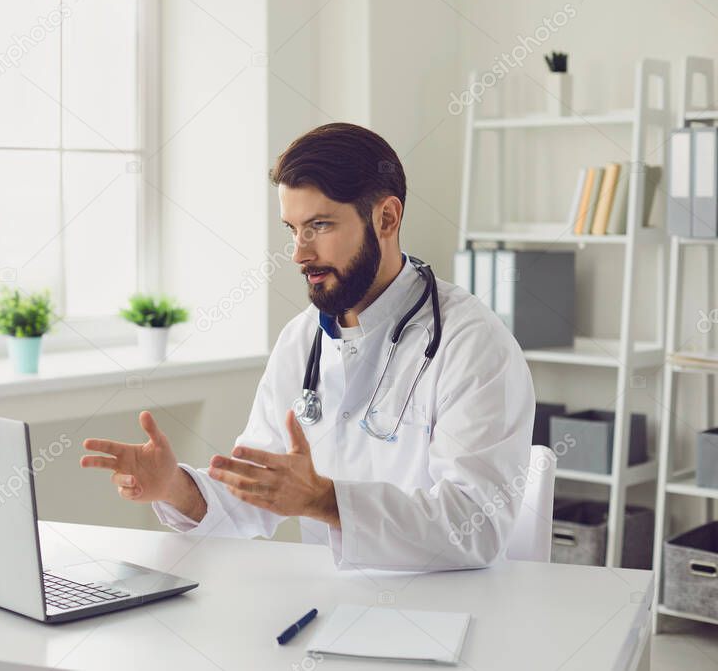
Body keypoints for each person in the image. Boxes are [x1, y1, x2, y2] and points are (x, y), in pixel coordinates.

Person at [80, 122, 535, 571]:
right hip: (324, 607)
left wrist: (327, 502)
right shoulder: (302, 339)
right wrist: (173, 486)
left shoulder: (472, 344)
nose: (299, 253)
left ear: (387, 218)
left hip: (449, 616)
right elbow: (255, 492)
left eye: (319, 225)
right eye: (293, 229)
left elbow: (477, 526)